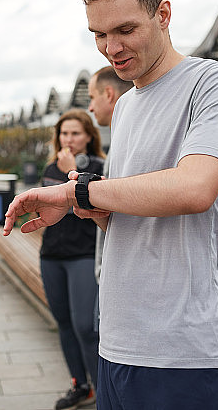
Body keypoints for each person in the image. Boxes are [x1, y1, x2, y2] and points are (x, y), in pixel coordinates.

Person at [3, 0, 218, 410]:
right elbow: (131, 221)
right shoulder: (127, 106)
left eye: (125, 30)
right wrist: (84, 207)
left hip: (186, 356)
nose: (111, 48)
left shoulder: (213, 84)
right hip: (116, 348)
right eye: (98, 34)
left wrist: (80, 189)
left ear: (164, 13)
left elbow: (194, 189)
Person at [40, 109, 105, 410]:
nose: (69, 139)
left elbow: (89, 204)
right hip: (52, 254)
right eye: (64, 133)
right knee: (63, 323)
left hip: (82, 254)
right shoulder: (51, 166)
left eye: (76, 133)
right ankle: (80, 386)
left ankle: (104, 392)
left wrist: (71, 171)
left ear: (89, 136)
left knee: (85, 326)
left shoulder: (100, 167)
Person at [87, 65, 132, 282]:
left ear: (108, 94)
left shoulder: (128, 142)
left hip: (117, 277)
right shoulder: (121, 139)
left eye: (92, 97)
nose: (90, 107)